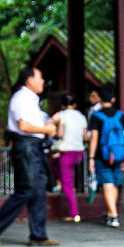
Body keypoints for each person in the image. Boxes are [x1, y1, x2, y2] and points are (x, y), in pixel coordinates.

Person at [0, 67, 60, 247]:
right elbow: (24, 125)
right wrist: (47, 129)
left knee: (39, 189)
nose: (43, 81)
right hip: (25, 147)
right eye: (40, 77)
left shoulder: (32, 100)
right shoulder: (22, 98)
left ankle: (38, 235)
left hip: (34, 147)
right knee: (26, 188)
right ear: (29, 81)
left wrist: (49, 122)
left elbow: (40, 118)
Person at [87, 85, 124, 226]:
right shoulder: (120, 115)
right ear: (113, 98)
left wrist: (91, 158)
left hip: (102, 155)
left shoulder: (96, 116)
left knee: (107, 183)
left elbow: (94, 137)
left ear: (99, 98)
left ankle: (114, 215)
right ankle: (111, 213)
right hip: (118, 155)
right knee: (115, 183)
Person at [51, 92, 88, 222]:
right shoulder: (82, 117)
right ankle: (62, 183)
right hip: (79, 152)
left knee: (67, 184)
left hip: (67, 152)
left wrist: (55, 130)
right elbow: (85, 137)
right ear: (75, 105)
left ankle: (74, 214)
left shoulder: (62, 115)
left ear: (62, 105)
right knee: (55, 163)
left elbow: (58, 133)